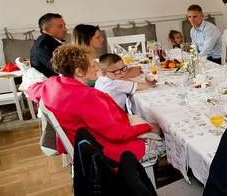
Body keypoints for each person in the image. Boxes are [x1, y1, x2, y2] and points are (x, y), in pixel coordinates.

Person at [26, 45, 163, 163]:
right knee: (164, 137)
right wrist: (147, 127)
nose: (97, 68)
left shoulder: (52, 83)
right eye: (92, 65)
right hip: (105, 152)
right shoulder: (88, 97)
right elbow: (116, 134)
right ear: (79, 71)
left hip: (81, 146)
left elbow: (31, 90)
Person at [31, 13, 67, 78]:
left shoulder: (46, 41)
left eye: (64, 25)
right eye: (60, 26)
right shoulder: (44, 44)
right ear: (46, 29)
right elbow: (59, 69)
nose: (65, 29)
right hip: (50, 85)